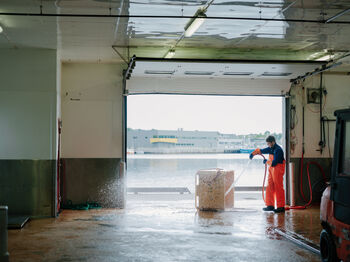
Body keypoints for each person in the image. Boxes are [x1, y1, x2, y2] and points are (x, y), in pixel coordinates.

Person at [249, 135, 286, 213]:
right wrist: (253, 153)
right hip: (272, 170)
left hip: (278, 169)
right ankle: (270, 205)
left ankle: (281, 207)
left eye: (269, 143)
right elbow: (261, 151)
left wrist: (266, 161)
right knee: (269, 186)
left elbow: (274, 163)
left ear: (273, 142)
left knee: (278, 187)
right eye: (267, 144)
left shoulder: (278, 150)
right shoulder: (271, 149)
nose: (268, 145)